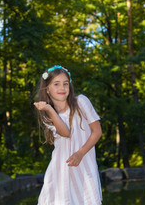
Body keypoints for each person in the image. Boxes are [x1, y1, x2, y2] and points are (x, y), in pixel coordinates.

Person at [34, 65, 102, 205]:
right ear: (47, 89)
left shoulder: (81, 102)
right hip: (61, 167)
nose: (62, 88)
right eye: (56, 84)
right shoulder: (48, 115)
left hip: (84, 165)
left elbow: (97, 131)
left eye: (66, 84)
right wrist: (49, 109)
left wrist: (80, 153)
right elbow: (65, 132)